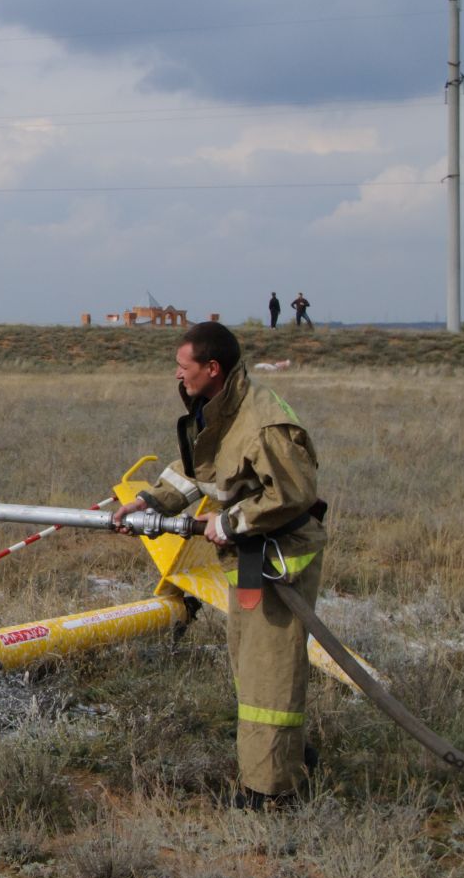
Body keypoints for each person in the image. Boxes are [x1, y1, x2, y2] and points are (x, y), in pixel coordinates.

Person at [110, 321, 326, 810]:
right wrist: (151, 502)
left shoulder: (264, 424)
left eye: (183, 368)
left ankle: (271, 792)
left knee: (269, 668)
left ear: (213, 369)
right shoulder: (219, 410)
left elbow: (292, 494)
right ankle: (282, 755)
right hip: (250, 559)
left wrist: (231, 522)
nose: (177, 377)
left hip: (280, 561)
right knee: (247, 657)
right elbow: (197, 468)